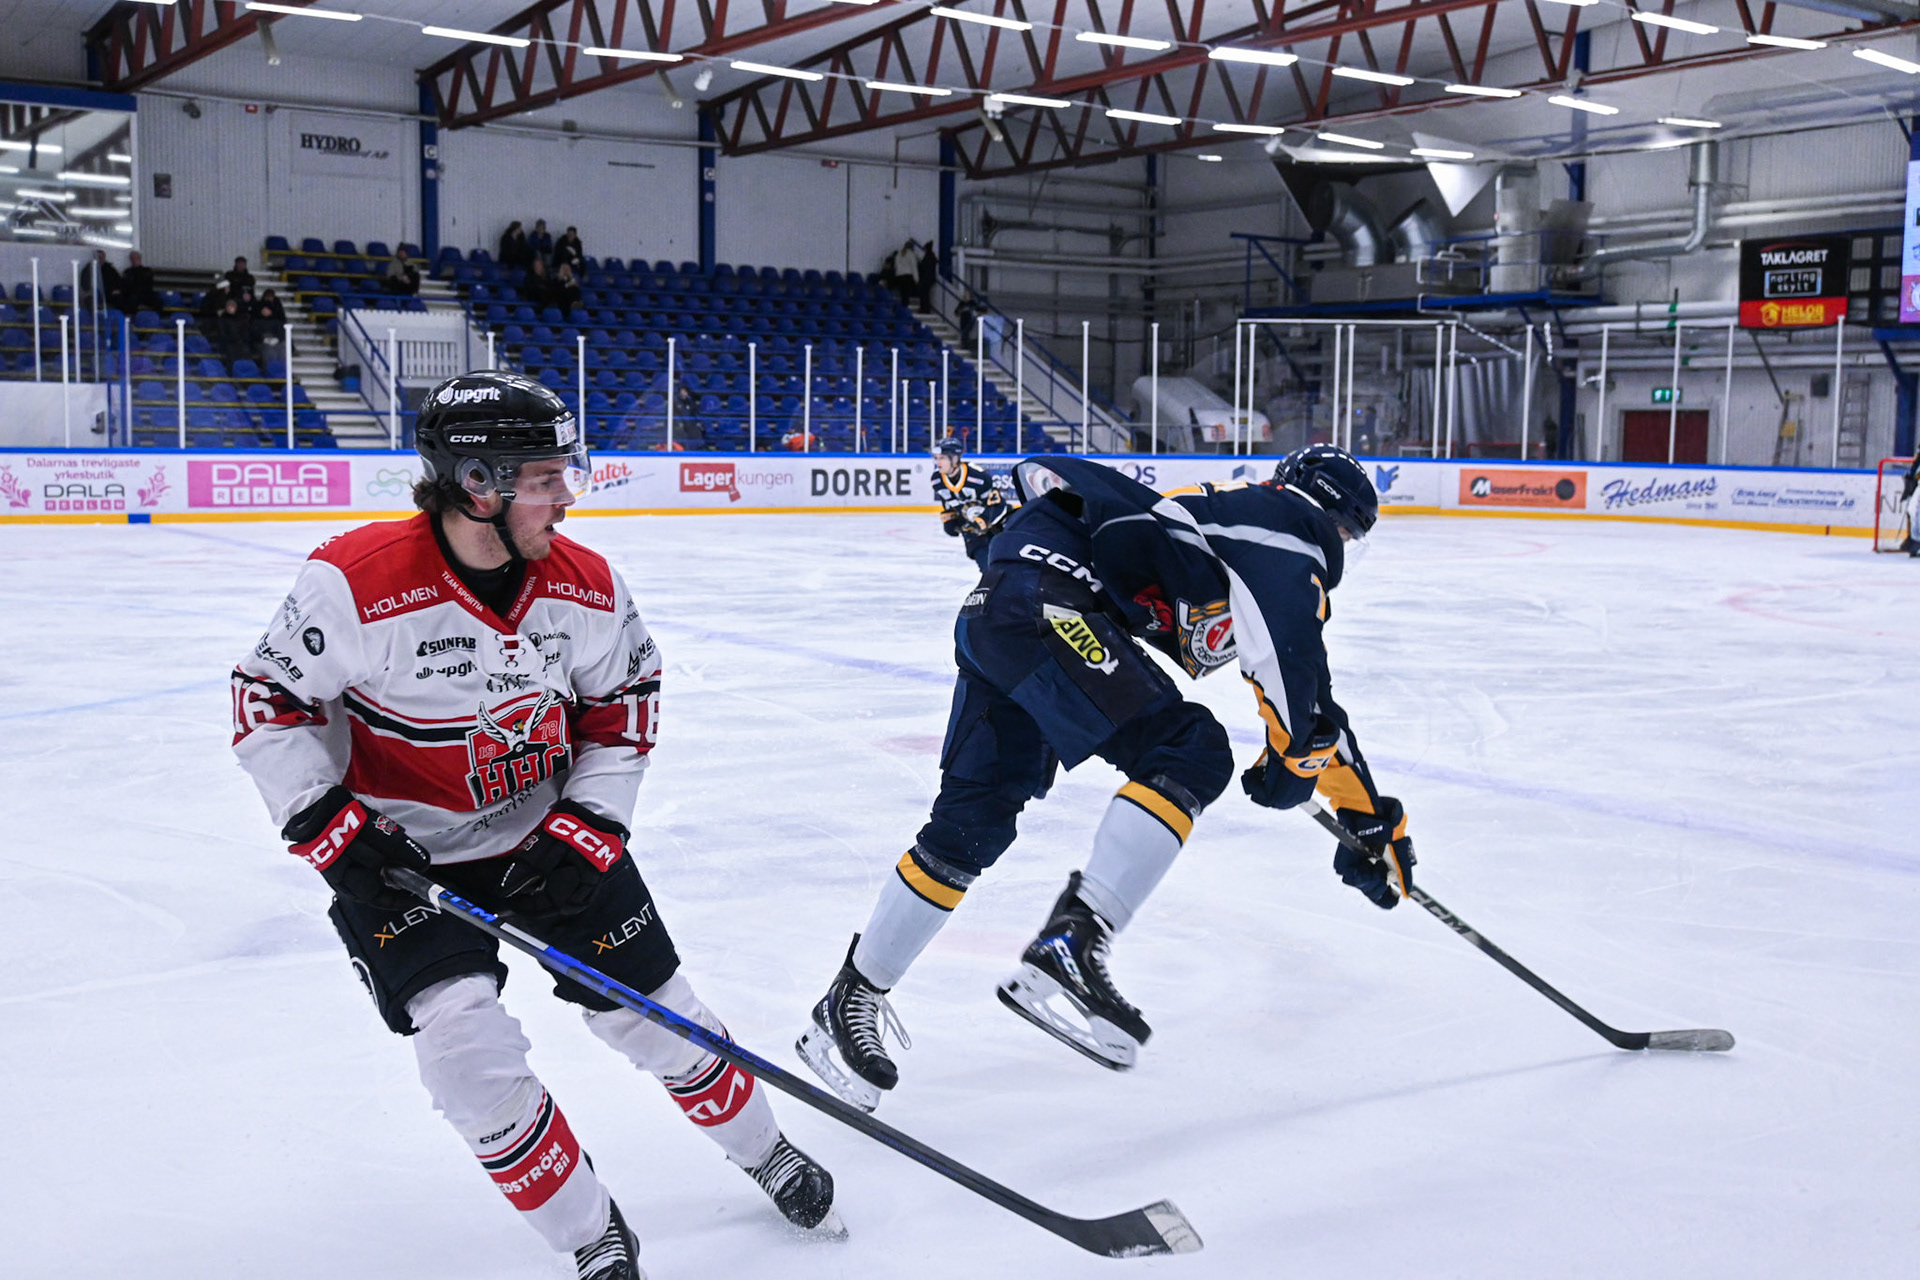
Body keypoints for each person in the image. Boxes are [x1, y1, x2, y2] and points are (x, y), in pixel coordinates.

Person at [229, 370, 842, 1278]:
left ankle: (766, 1151)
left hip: (544, 841)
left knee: (661, 1020)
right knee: (463, 1056)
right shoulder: (355, 583)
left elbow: (624, 707)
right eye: (548, 478)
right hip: (404, 862)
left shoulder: (586, 586)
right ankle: (589, 1230)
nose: (568, 496)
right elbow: (267, 700)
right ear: (478, 484)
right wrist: (328, 823)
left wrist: (590, 823)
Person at [797, 446, 1412, 1110]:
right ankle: (1076, 940)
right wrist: (1302, 767)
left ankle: (851, 996)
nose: (1340, 548)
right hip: (1050, 610)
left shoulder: (1238, 526)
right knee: (1191, 751)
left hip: (999, 613)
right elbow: (1299, 686)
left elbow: (1300, 696)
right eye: (1347, 532)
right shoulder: (1289, 532)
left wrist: (1363, 812)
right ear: (1330, 514)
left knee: (970, 826)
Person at [930, 437, 1009, 571]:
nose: (938, 462)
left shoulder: (978, 477)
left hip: (997, 528)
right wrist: (949, 519)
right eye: (936, 458)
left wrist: (982, 521)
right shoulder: (937, 480)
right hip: (972, 533)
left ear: (955, 459)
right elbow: (948, 502)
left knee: (1007, 564)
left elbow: (998, 505)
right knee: (987, 569)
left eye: (942, 458)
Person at [251, 289, 288, 363]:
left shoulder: (277, 320)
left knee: (281, 349)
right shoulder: (256, 321)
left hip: (276, 337)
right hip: (262, 339)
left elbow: (282, 328)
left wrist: (278, 339)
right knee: (269, 350)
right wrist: (263, 339)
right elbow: (253, 332)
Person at [915, 241, 937, 312]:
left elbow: (923, 267)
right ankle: (925, 308)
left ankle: (924, 308)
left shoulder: (928, 257)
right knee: (925, 294)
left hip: (926, 278)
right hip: (929, 278)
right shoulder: (932, 257)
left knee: (924, 294)